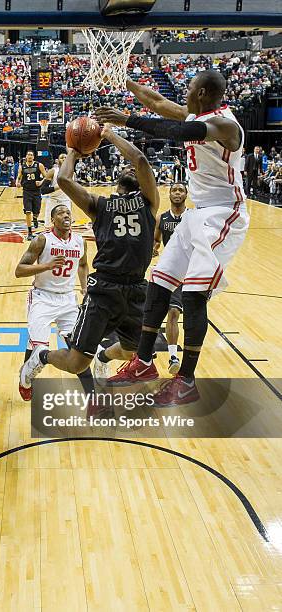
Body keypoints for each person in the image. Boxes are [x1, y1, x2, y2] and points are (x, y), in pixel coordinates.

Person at [95, 69, 250, 406]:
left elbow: (179, 130)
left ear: (206, 93)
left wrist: (125, 119)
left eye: (191, 88)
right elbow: (158, 102)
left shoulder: (225, 125)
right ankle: (144, 363)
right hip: (200, 213)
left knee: (192, 296)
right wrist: (124, 78)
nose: (186, 92)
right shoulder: (198, 112)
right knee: (159, 282)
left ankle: (186, 380)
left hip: (226, 213)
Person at [19, 124, 159, 396]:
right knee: (75, 363)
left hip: (136, 289)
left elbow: (140, 160)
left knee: (132, 351)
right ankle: (41, 357)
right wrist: (72, 151)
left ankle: (104, 357)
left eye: (134, 170)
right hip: (104, 289)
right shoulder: (99, 205)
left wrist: (109, 135)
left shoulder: (149, 201)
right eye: (126, 170)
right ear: (118, 181)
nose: (132, 169)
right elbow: (64, 181)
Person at [15, 204, 90, 401]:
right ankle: (26, 381)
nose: (65, 215)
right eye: (60, 213)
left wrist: (84, 286)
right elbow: (19, 270)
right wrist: (47, 265)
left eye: (68, 212)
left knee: (79, 349)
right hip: (42, 297)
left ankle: (93, 396)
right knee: (37, 345)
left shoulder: (80, 241)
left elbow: (83, 265)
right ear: (52, 220)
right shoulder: (42, 240)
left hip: (67, 299)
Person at [152, 182, 188, 374]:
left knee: (174, 313)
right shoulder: (162, 218)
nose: (177, 193)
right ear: (169, 194)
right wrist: (153, 250)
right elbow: (156, 241)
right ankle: (147, 350)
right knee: (155, 313)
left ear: (186, 195)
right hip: (168, 270)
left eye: (181, 190)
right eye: (174, 190)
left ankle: (174, 355)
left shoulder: (192, 218)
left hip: (187, 273)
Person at [16, 150, 46, 240]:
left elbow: (46, 176)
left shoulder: (39, 165)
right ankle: (29, 232)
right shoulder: (22, 166)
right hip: (27, 191)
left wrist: (41, 182)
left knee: (36, 211)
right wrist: (17, 182)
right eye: (28, 154)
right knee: (28, 211)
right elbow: (18, 177)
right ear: (26, 156)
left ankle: (35, 218)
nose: (29, 156)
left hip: (36, 191)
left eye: (31, 155)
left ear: (33, 157)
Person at [41, 153, 72, 228]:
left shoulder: (72, 173)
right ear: (58, 161)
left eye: (65, 157)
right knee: (48, 226)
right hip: (53, 201)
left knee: (66, 227)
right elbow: (43, 190)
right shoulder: (53, 171)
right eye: (62, 157)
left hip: (66, 201)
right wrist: (57, 187)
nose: (64, 159)